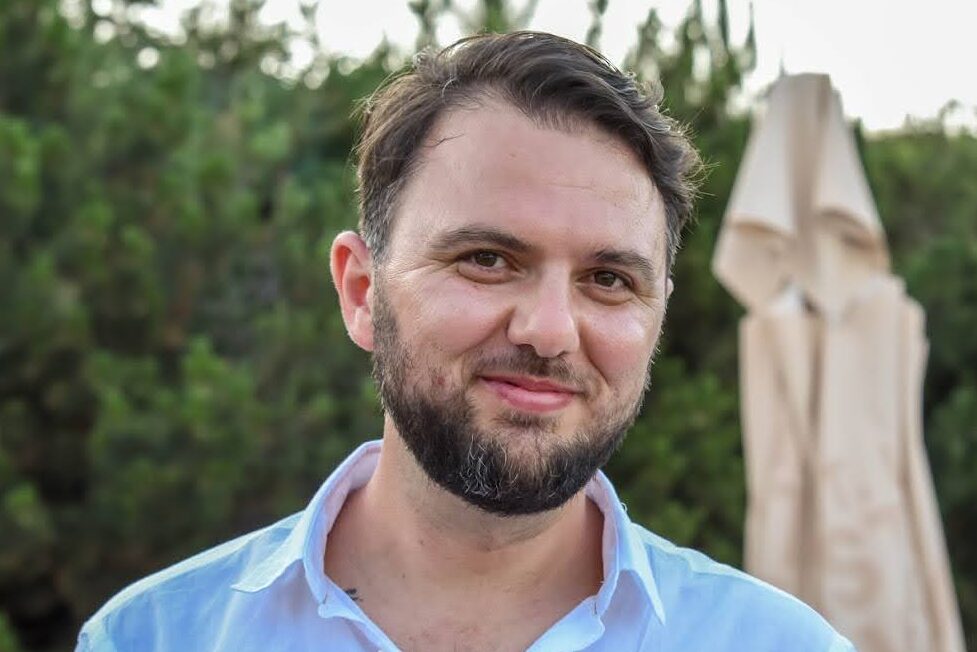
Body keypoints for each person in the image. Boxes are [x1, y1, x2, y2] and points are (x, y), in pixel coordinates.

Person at [76, 31, 855, 652]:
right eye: (487, 260)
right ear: (361, 291)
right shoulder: (154, 637)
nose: (549, 331)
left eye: (607, 279)